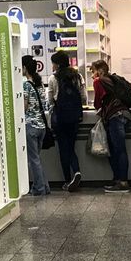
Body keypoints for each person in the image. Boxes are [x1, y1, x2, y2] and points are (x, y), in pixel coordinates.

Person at [91, 60, 131, 193]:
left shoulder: (99, 81)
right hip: (124, 115)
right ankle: (118, 180)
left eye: (93, 71)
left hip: (115, 117)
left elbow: (97, 103)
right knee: (117, 150)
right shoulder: (113, 79)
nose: (92, 75)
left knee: (117, 150)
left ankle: (122, 182)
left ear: (100, 70)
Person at [47, 51, 84, 192]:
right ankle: (76, 171)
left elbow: (50, 100)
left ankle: (68, 180)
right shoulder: (78, 76)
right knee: (71, 146)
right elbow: (83, 96)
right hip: (75, 117)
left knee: (64, 148)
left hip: (60, 117)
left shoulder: (53, 78)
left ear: (57, 64)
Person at [21, 56, 50, 196]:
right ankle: (45, 186)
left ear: (25, 68)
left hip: (31, 125)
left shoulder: (26, 85)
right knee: (37, 159)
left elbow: (24, 107)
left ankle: (39, 188)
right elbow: (45, 104)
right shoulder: (39, 84)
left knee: (33, 160)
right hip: (41, 126)